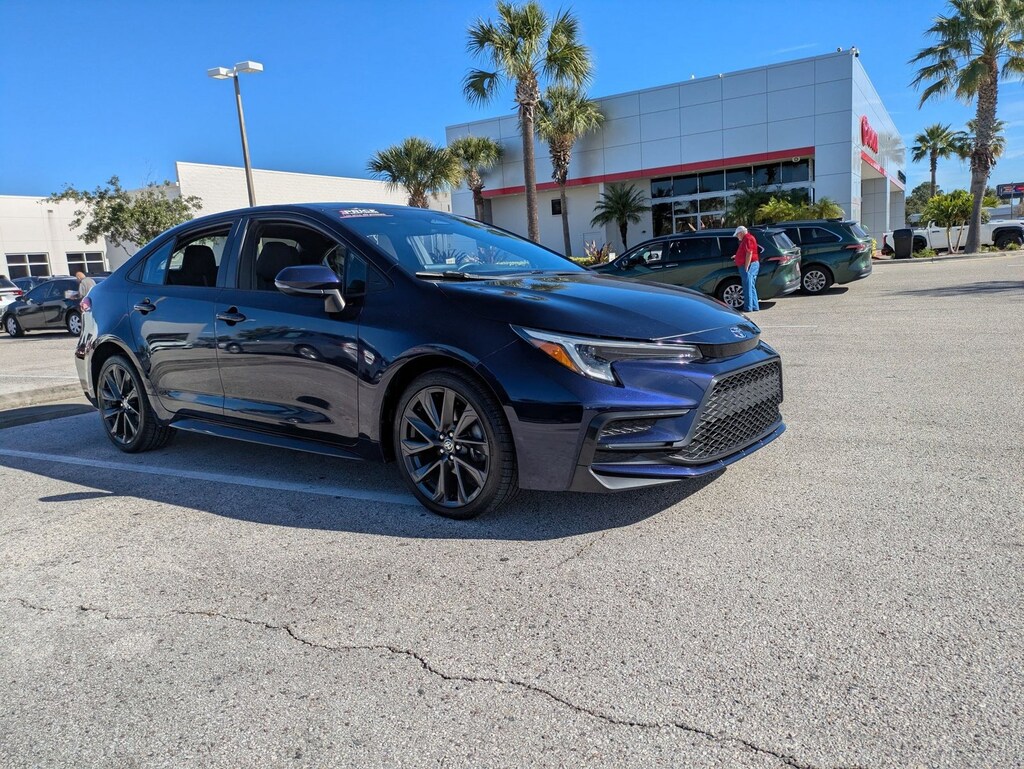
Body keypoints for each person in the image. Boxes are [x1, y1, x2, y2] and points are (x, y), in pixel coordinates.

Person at [732, 226, 759, 312]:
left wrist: (746, 266)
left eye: (737, 234)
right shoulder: (747, 239)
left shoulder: (747, 238)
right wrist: (737, 256)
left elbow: (749, 252)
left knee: (747, 286)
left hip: (749, 265)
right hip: (751, 264)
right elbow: (746, 252)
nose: (737, 236)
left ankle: (748, 307)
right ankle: (754, 306)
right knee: (750, 286)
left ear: (741, 233)